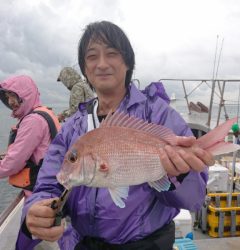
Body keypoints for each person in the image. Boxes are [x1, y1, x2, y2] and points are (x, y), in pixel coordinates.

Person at [17, 21, 214, 250]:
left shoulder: (159, 115)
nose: (101, 64)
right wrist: (35, 210)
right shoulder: (72, 128)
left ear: (127, 62)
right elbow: (50, 184)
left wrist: (180, 175)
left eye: (111, 53)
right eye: (92, 57)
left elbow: (194, 197)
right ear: (84, 68)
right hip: (81, 244)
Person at [0, 75, 61, 197]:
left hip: (40, 192)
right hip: (51, 184)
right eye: (7, 97)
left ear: (25, 94)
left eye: (13, 95)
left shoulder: (33, 120)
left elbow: (14, 162)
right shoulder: (44, 113)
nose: (10, 101)